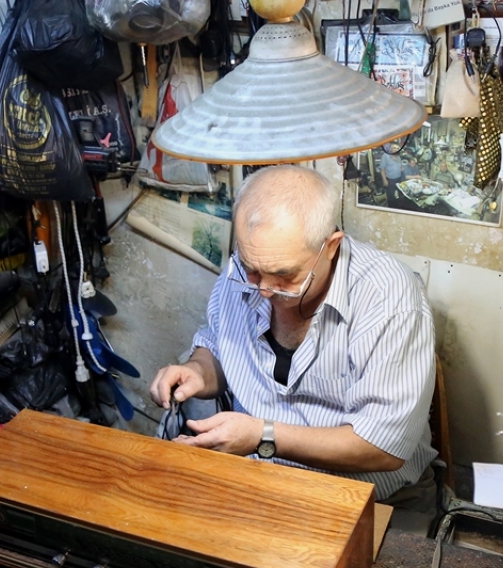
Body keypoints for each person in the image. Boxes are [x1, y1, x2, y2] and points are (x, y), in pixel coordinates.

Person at [149, 165, 437, 509]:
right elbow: (221, 348)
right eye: (252, 269)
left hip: (363, 497)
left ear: (330, 247)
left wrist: (262, 436)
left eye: (285, 275)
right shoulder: (245, 272)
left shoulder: (389, 298)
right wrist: (197, 369)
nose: (265, 290)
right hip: (260, 480)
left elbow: (384, 447)